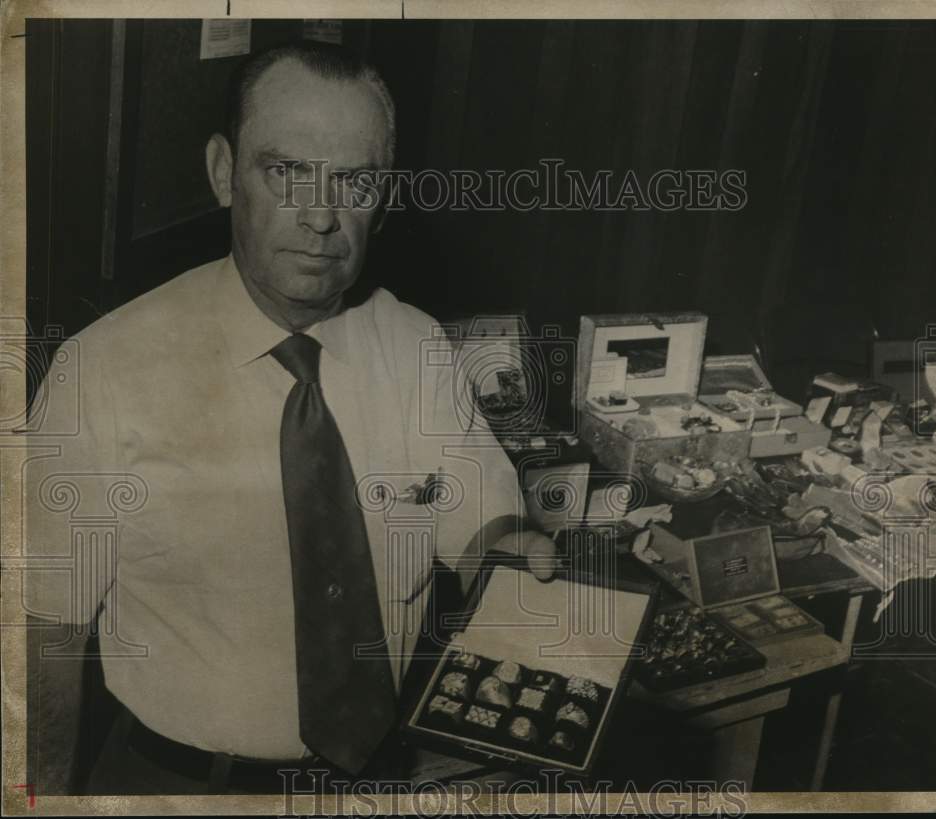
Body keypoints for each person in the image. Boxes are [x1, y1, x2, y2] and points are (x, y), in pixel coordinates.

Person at [24, 41, 556, 796]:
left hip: (374, 781)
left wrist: (513, 550)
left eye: (353, 181)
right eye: (286, 171)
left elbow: (482, 525)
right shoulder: (100, 372)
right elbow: (43, 633)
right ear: (222, 172)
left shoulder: (417, 346)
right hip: (177, 789)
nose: (320, 216)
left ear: (385, 195)